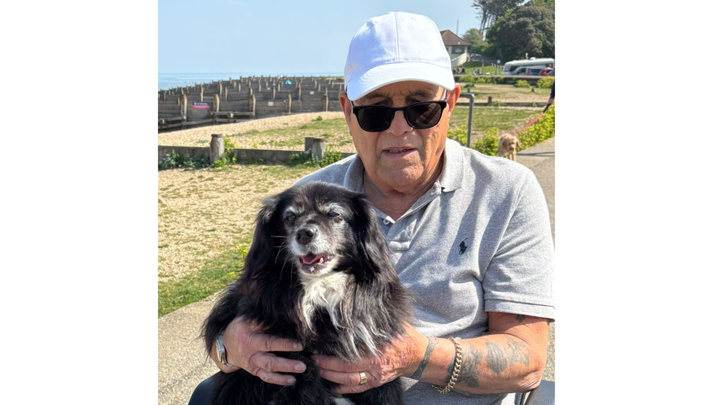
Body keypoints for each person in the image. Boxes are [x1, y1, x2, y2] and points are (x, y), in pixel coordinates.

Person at [189, 11, 554, 405]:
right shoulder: (304, 199)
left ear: (450, 102)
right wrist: (228, 346)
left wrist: (415, 357)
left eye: (422, 109)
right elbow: (245, 300)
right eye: (376, 112)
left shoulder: (506, 192)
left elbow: (527, 359)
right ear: (348, 111)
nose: (400, 128)